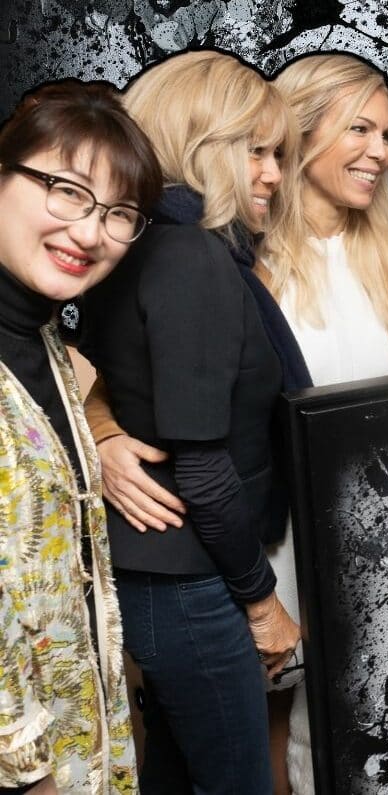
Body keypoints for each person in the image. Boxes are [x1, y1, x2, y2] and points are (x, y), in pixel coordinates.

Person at [78, 50, 301, 793]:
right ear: (202, 148)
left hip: (171, 573)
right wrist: (262, 602)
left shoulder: (152, 246)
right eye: (256, 152)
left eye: (279, 155)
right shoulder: (192, 258)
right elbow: (202, 466)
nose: (273, 175)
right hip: (190, 579)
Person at [0, 79, 160, 794]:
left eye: (119, 213)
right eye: (67, 191)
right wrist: (28, 772)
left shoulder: (45, 343)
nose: (91, 233)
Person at [267, 51, 388, 795]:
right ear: (300, 129)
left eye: (387, 135)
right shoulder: (246, 251)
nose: (379, 152)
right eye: (359, 128)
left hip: (375, 528)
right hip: (280, 534)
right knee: (280, 719)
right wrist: (105, 436)